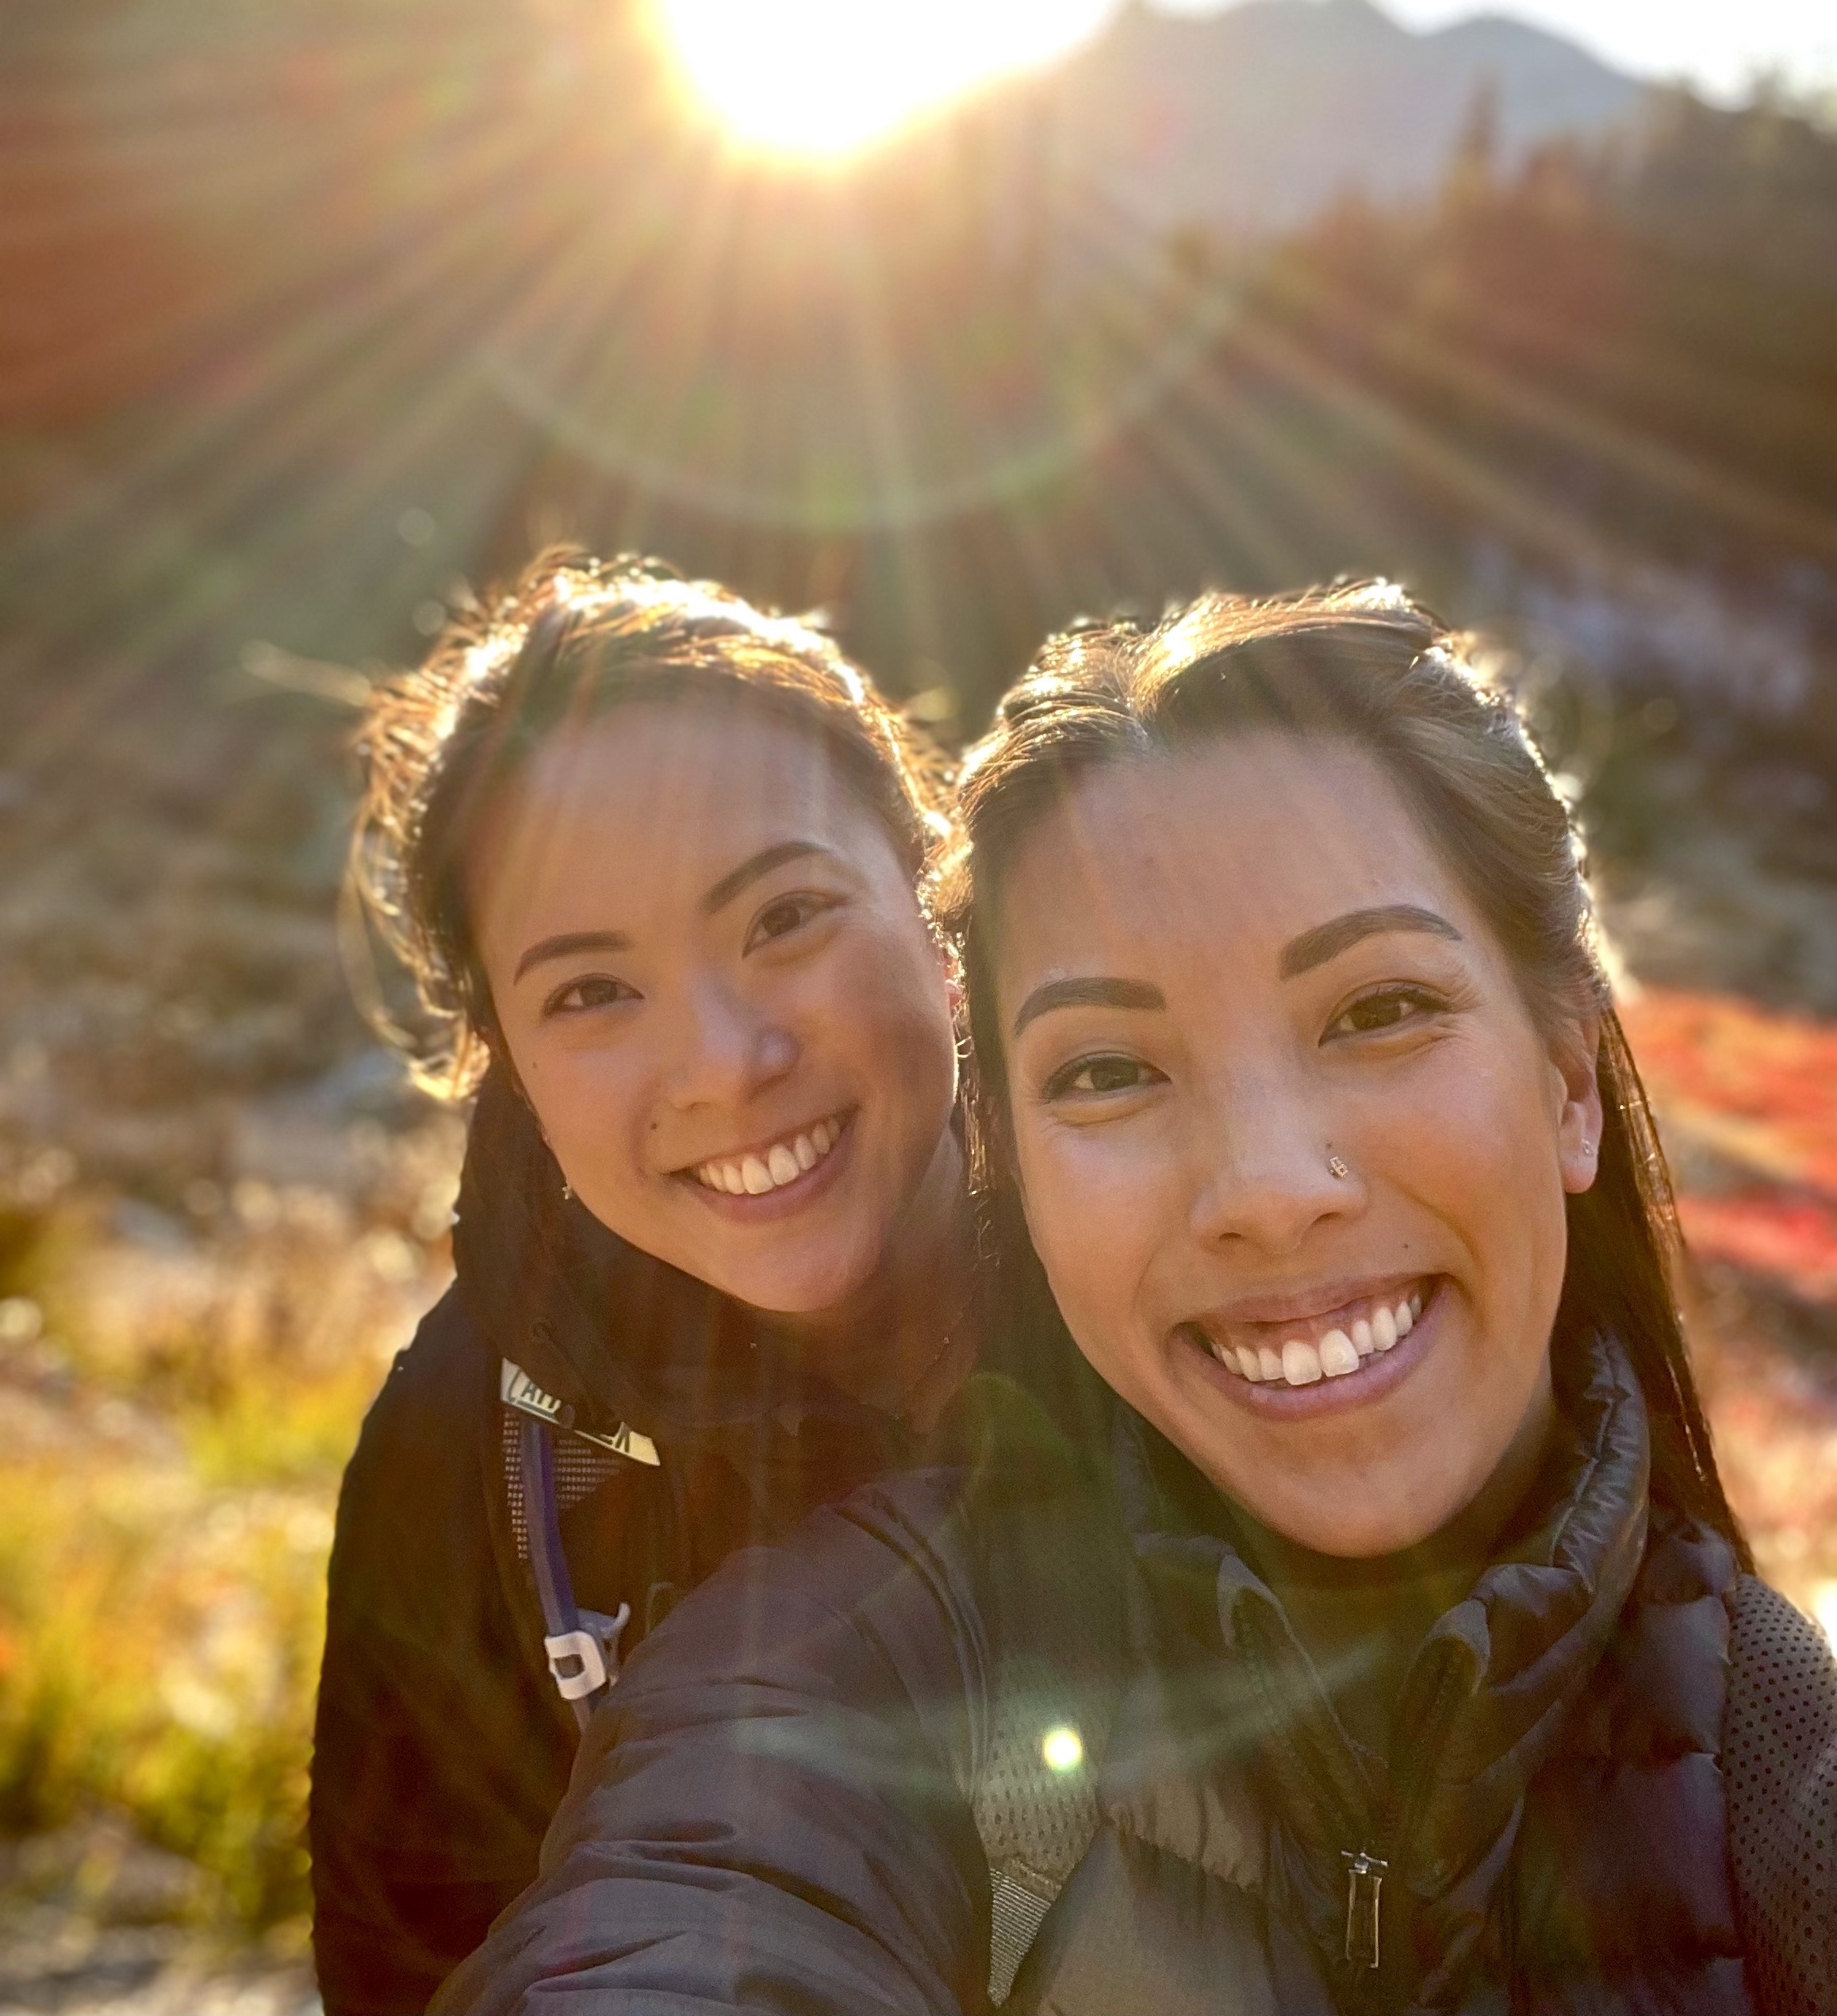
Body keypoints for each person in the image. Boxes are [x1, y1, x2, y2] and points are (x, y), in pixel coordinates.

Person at [435, 582, 1837, 2016]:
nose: (1268, 1187)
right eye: (1108, 1069)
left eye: (1378, 1010)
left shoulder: (1788, 1770)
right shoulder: (862, 1667)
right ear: (1019, 1182)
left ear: (1569, 1085)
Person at [309, 551, 994, 2014]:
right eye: (590, 993)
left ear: (936, 902)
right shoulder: (469, 1453)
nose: (726, 1062)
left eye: (785, 917)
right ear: (504, 1060)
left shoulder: (1177, 1272)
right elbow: (414, 1966)